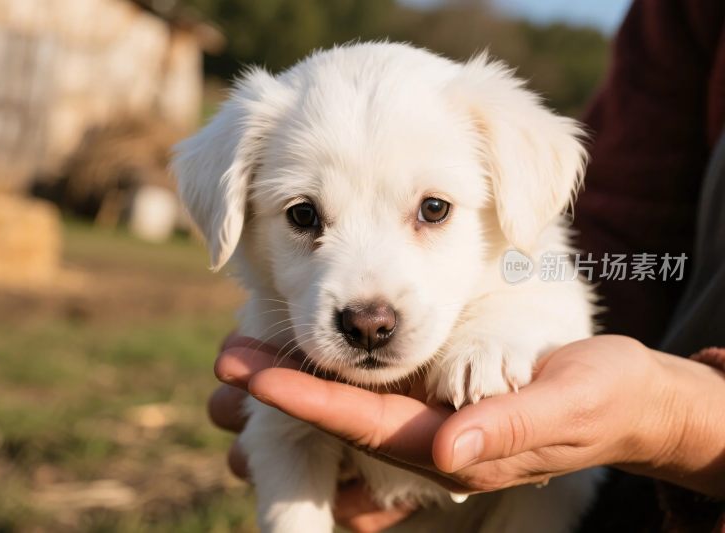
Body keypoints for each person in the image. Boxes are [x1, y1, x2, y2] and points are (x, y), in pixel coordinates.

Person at [208, 0, 725, 530]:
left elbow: (556, 307)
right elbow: (627, 235)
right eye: (303, 216)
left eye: (434, 211)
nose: (370, 312)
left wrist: (665, 414)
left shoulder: (528, 293)